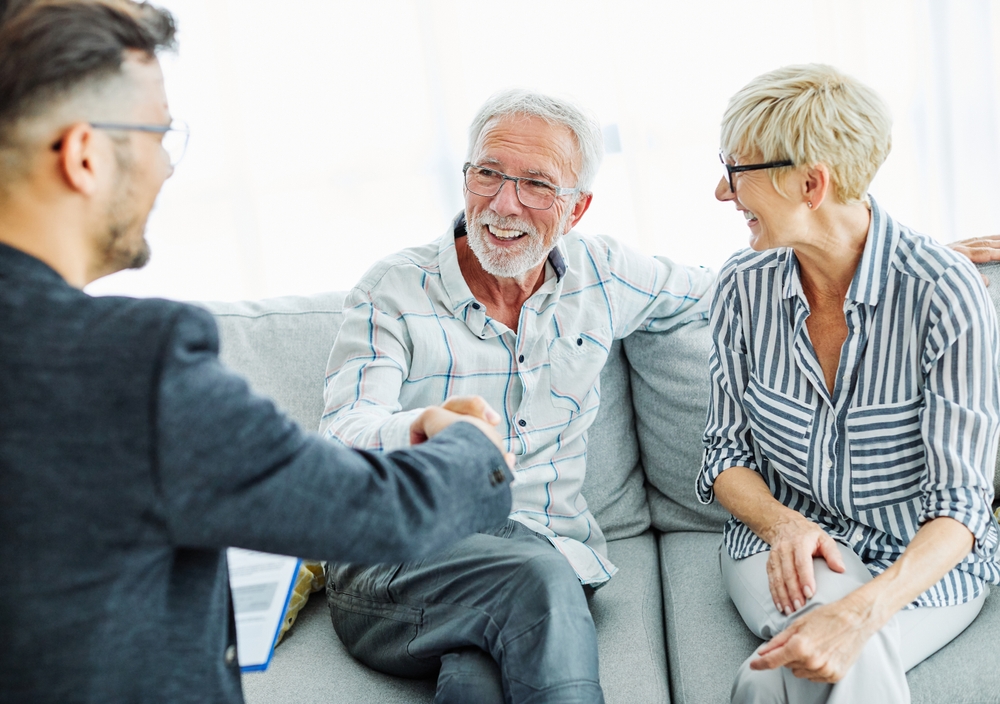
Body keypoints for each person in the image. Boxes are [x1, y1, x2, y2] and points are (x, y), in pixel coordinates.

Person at [0, 2, 516, 702]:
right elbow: (374, 511)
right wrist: (470, 445)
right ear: (85, 155)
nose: (165, 167)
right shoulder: (131, 363)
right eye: (158, 133)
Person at [319, 89, 716, 703]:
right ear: (466, 178)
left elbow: (717, 291)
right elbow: (344, 428)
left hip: (542, 553)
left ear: (576, 208)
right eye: (489, 174)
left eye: (536, 184)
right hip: (398, 560)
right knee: (537, 574)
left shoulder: (603, 276)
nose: (504, 204)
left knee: (479, 681)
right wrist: (422, 426)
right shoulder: (392, 291)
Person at [697, 63, 1000, 704]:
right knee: (824, 654)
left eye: (736, 171)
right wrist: (783, 526)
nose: (722, 193)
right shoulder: (740, 288)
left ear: (811, 183)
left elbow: (961, 509)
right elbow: (725, 459)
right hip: (780, 543)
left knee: (778, 676)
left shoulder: (944, 293)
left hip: (920, 565)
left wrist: (861, 611)